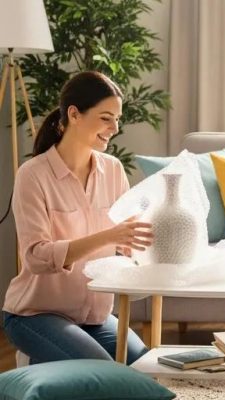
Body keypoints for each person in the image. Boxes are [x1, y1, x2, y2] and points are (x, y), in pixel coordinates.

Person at [2, 71, 154, 365]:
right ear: (74, 114)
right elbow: (35, 256)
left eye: (118, 119)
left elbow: (127, 244)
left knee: (145, 367)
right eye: (106, 118)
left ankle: (50, 365)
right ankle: (47, 367)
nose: (115, 128)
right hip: (35, 314)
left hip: (95, 318)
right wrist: (110, 236)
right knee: (103, 372)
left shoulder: (112, 170)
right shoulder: (33, 175)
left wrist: (139, 244)